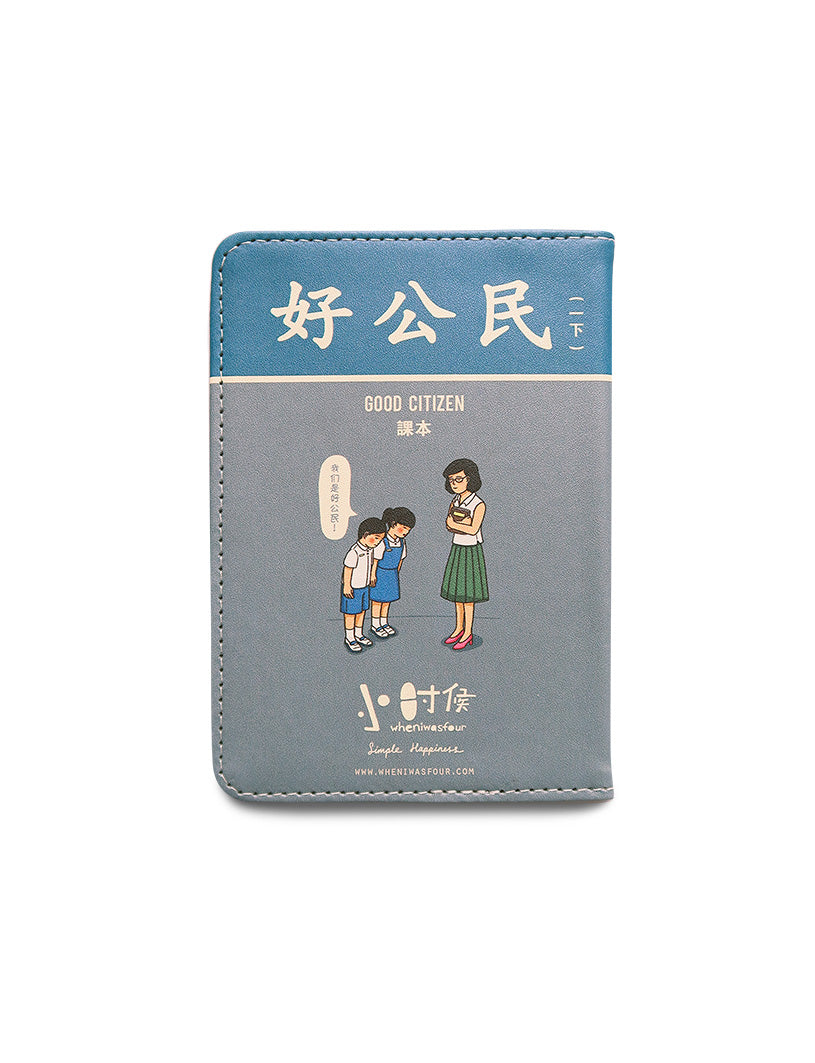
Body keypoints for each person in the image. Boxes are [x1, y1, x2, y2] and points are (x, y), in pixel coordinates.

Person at [440, 459, 488, 650]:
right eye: (451, 480)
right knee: (457, 594)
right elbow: (448, 524)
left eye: (458, 479)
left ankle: (468, 632)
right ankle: (458, 628)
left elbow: (473, 529)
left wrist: (456, 525)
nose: (454, 483)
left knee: (469, 596)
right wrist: (459, 525)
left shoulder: (478, 504)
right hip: (457, 548)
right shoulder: (455, 500)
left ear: (470, 479)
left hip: (471, 551)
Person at [341, 518, 386, 652]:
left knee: (362, 611)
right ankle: (350, 637)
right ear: (365, 535)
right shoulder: (354, 551)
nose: (377, 542)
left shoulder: (370, 550)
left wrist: (372, 576)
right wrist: (347, 586)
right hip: (353, 588)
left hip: (364, 586)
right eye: (376, 538)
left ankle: (359, 634)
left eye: (380, 540)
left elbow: (371, 565)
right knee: (350, 613)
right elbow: (347, 569)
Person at [370, 507, 416, 638]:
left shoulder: (401, 542)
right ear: (393, 524)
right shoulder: (382, 541)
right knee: (377, 600)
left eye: (408, 530)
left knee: (387, 600)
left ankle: (384, 622)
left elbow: (401, 559)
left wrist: (396, 573)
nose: (406, 532)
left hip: (392, 574)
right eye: (404, 528)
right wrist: (373, 575)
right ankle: (375, 624)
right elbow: (375, 560)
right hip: (380, 573)